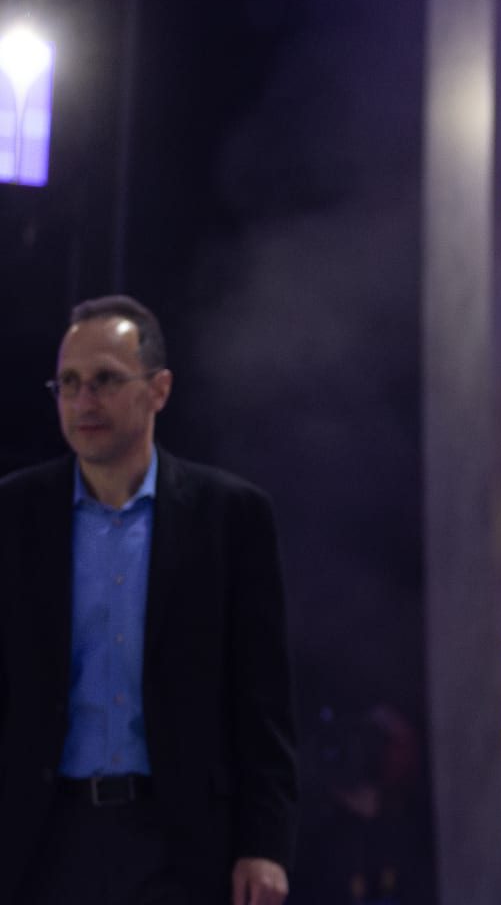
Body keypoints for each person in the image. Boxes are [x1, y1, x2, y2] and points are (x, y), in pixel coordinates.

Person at [0, 294, 299, 905]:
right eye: (69, 383)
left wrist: (265, 844)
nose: (84, 401)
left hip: (179, 839)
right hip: (38, 836)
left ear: (159, 389)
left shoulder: (230, 516)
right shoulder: (13, 514)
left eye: (106, 380)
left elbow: (262, 699)